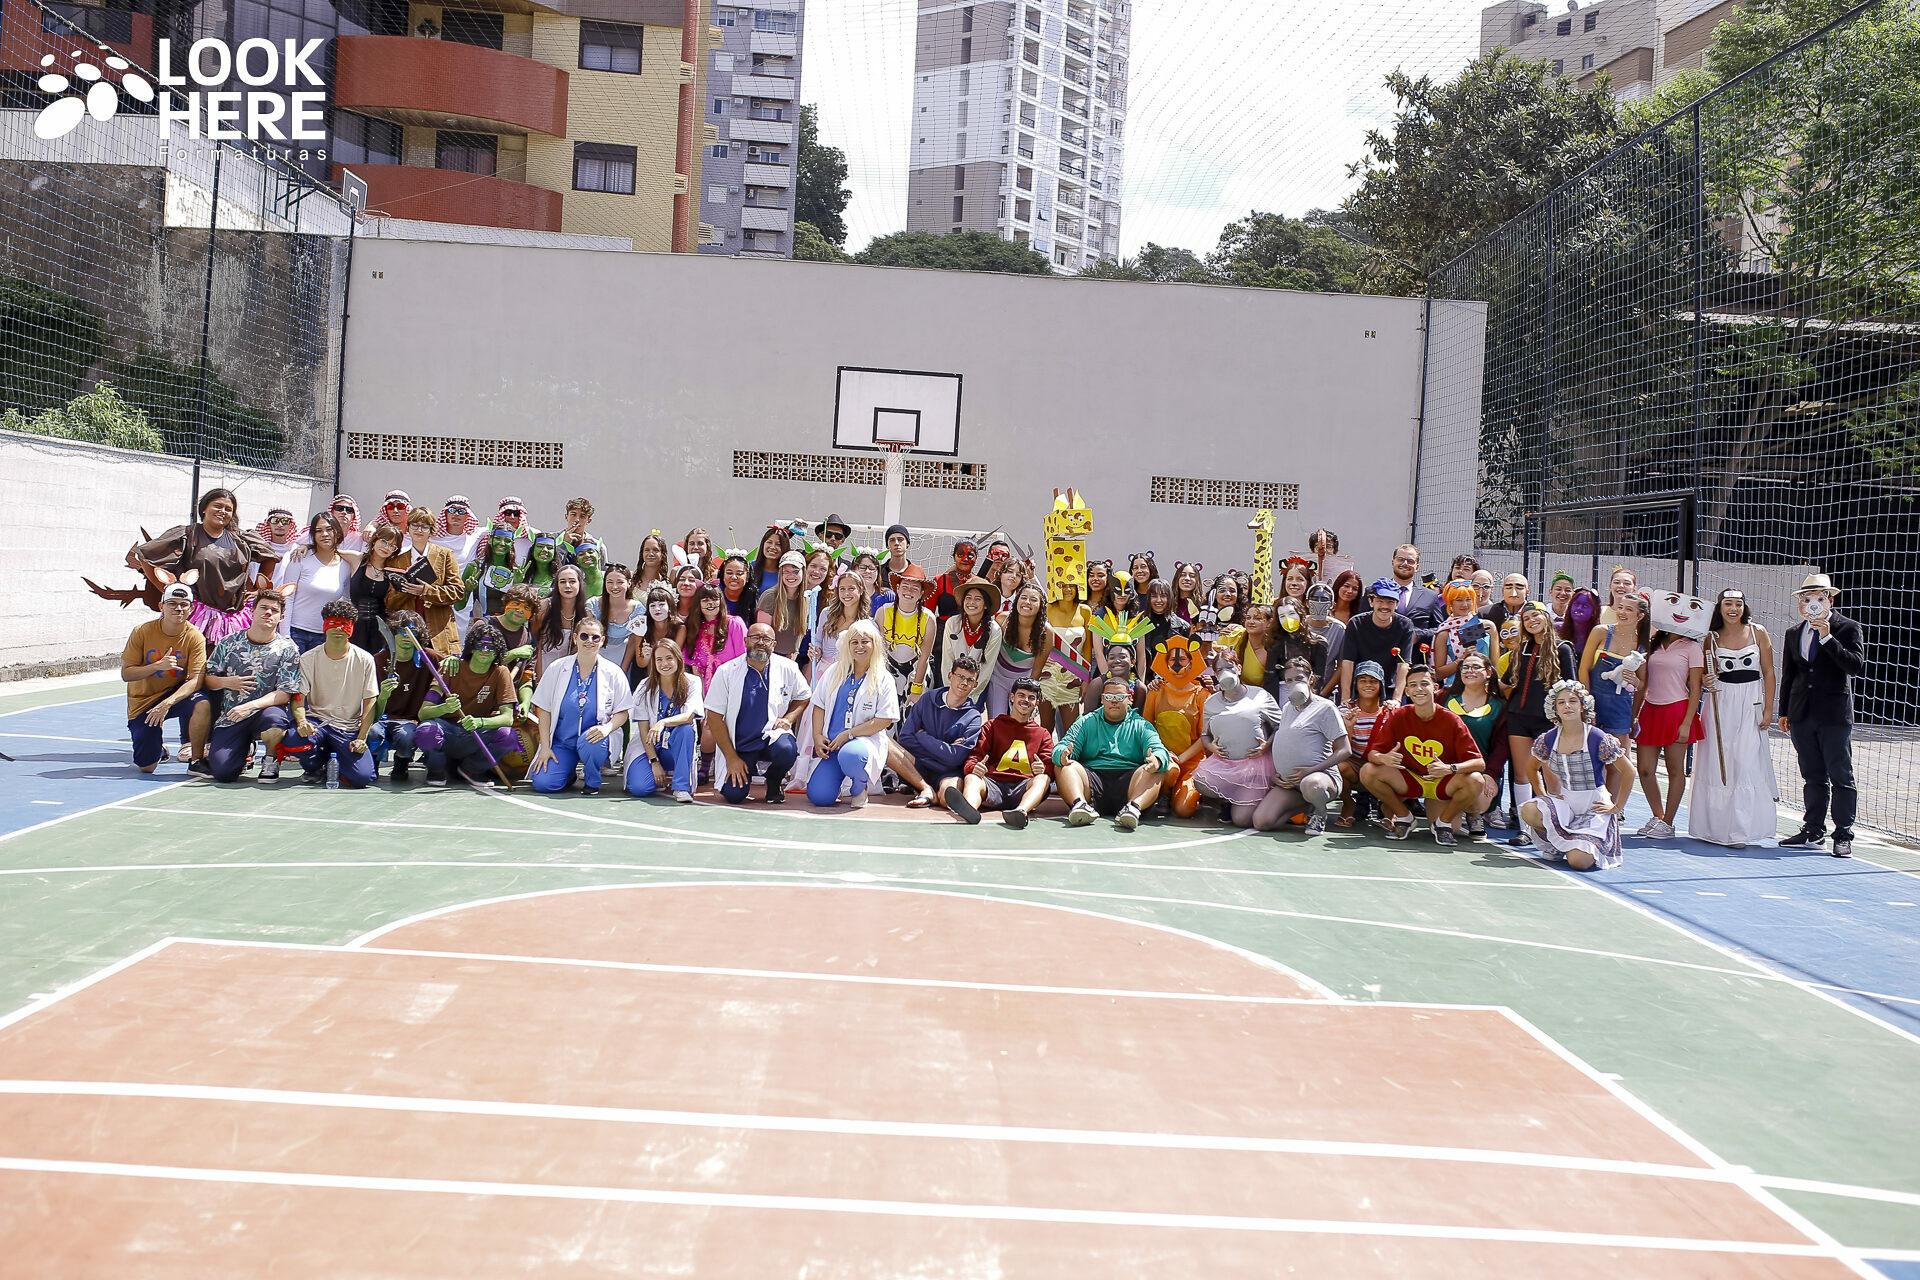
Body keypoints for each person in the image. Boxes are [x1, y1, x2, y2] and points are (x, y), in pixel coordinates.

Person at [127, 487, 283, 646]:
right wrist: (169, 591)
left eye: (228, 509)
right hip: (195, 617)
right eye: (218, 506)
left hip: (233, 620)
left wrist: (258, 589)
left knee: (228, 661)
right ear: (204, 509)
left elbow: (270, 557)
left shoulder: (241, 539)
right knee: (189, 659)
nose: (222, 511)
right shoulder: (187, 535)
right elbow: (146, 556)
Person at [1778, 573, 1864, 857]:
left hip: (1834, 714)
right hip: (1802, 713)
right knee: (1812, 775)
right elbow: (1789, 674)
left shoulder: (1848, 628)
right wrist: (1784, 711)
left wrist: (1827, 637)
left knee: (1841, 775)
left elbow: (1854, 666)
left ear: (1830, 600)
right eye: (1806, 599)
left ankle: (1843, 834)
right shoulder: (1793, 633)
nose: (1811, 603)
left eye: (1818, 597)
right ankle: (1813, 830)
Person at [1360, 664, 1494, 845]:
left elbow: (1479, 763)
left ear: (1435, 688)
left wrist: (1449, 768)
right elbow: (1372, 754)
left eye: (1424, 684)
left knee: (1476, 780)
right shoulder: (1399, 716)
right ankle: (1404, 817)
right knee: (1368, 771)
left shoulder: (1451, 720)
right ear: (1407, 691)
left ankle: (1443, 823)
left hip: (1442, 781)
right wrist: (1383, 758)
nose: (1419, 689)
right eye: (1413, 685)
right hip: (1411, 779)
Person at [1688, 589, 1779, 848]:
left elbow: (1769, 672)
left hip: (1750, 702)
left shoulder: (1758, 632)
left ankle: (1741, 830)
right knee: (1720, 763)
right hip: (1721, 702)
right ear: (1720, 607)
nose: (1734, 609)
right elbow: (1708, 674)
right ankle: (1716, 828)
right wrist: (1707, 680)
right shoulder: (1711, 638)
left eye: (1738, 604)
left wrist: (1768, 709)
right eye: (1728, 604)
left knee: (1745, 762)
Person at [1520, 680, 1634, 870]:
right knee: (1529, 810)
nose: (1567, 706)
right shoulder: (1549, 738)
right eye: (1561, 702)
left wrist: (1617, 807)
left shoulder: (1597, 737)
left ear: (1583, 706)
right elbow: (1531, 768)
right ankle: (1555, 843)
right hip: (1566, 802)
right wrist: (1543, 796)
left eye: (1573, 701)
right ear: (1555, 709)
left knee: (1579, 862)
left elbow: (1629, 771)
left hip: (1594, 807)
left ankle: (1577, 844)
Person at [707, 622, 813, 804]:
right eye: (755, 637)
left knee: (787, 750)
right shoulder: (726, 672)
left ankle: (774, 780)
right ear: (746, 641)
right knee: (734, 795)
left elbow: (804, 696)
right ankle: (745, 769)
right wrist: (731, 758)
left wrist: (789, 718)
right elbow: (714, 716)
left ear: (774, 645)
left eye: (766, 639)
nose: (760, 642)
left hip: (771, 738)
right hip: (741, 745)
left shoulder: (788, 667)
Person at [203, 588, 302, 783]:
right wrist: (227, 682)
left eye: (274, 610)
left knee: (275, 722)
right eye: (263, 608)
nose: (268, 613)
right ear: (252, 611)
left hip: (266, 712)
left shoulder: (288, 649)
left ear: (281, 618)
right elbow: (209, 679)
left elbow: (284, 693)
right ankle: (245, 748)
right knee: (223, 773)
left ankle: (271, 759)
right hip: (232, 714)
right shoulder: (228, 642)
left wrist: (249, 706)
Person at [1053, 674, 1175, 830]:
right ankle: (1079, 805)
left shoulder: (1141, 725)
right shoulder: (1086, 721)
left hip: (1130, 782)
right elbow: (1062, 746)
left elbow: (1160, 750)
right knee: (1064, 766)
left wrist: (1156, 760)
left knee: (1156, 770)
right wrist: (1062, 754)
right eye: (1109, 697)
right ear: (1102, 699)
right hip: (1092, 779)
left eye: (1120, 697)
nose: (1114, 701)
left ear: (1129, 699)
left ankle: (1133, 808)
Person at [1500, 600, 1576, 847]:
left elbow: (1571, 686)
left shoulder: (1563, 648)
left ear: (1547, 618)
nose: (1532, 620)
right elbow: (1505, 683)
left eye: (1536, 615)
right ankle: (1525, 829)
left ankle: (1556, 827)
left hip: (1548, 720)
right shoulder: (1520, 649)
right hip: (1519, 717)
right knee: (1522, 773)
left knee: (1551, 775)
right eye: (1526, 618)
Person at [526, 616, 630, 794]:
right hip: (563, 742)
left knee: (592, 741)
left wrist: (607, 728)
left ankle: (592, 780)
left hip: (594, 740)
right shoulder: (557, 668)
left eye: (595, 637)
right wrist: (545, 747)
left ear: (602, 641)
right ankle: (567, 773)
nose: (589, 641)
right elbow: (544, 709)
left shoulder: (614, 672)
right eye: (584, 636)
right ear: (575, 638)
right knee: (544, 783)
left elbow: (623, 712)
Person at [415, 618, 524, 787]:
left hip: (476, 732)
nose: (485, 650)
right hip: (447, 730)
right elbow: (423, 713)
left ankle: (472, 769)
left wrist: (480, 722)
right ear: (472, 647)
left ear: (498, 651)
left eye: (491, 647)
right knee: (426, 730)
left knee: (508, 736)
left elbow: (507, 718)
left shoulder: (501, 672)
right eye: (481, 645)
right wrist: (445, 708)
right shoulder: (451, 666)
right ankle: (436, 769)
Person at [283, 598, 379, 788]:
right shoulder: (308, 658)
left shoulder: (365, 659)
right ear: (324, 625)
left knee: (362, 778)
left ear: (352, 627)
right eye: (333, 622)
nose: (338, 628)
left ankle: (337, 761)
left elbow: (370, 702)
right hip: (317, 723)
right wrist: (301, 722)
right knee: (295, 740)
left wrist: (361, 738)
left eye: (344, 623)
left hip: (348, 727)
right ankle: (314, 766)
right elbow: (298, 699)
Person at [807, 620, 900, 808]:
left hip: (861, 745)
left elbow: (884, 720)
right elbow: (819, 705)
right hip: (833, 746)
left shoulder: (883, 678)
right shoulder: (835, 671)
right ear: (847, 645)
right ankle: (835, 783)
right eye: (854, 642)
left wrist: (849, 734)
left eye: (865, 642)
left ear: (874, 644)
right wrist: (817, 736)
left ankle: (859, 788)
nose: (860, 646)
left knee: (851, 755)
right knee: (819, 797)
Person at [1182, 646, 1279, 825]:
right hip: (1225, 766)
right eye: (1219, 669)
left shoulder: (1260, 695)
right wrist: (1211, 747)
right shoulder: (1211, 702)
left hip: (1255, 768)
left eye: (1229, 667)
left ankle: (1256, 799)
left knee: (1242, 820)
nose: (1225, 672)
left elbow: (1280, 727)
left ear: (1239, 668)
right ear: (1215, 674)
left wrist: (1267, 745)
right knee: (1201, 782)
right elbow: (1205, 736)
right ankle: (1228, 802)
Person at [120, 581, 208, 773]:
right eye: (172, 603)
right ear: (161, 606)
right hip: (144, 701)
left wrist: (167, 704)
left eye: (184, 604)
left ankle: (196, 757)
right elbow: (126, 674)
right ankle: (156, 746)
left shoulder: (195, 637)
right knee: (147, 767)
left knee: (202, 702)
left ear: (191, 609)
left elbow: (195, 680)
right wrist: (157, 666)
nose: (178, 608)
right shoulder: (142, 631)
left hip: (173, 695)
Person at [944, 675, 1054, 829]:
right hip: (993, 785)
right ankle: (969, 809)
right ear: (1012, 697)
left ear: (1037, 702)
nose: (1026, 700)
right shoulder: (992, 726)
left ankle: (1020, 812)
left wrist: (1044, 769)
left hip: (1022, 788)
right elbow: (974, 758)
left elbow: (1050, 768)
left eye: (1031, 698)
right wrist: (974, 768)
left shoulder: (1042, 734)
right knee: (972, 778)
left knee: (1043, 779)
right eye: (1021, 695)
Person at [1631, 614, 1705, 841]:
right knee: (1644, 770)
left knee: (1675, 770)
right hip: (1650, 711)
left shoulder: (1692, 647)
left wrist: (1687, 722)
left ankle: (1668, 822)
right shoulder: (1653, 642)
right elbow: (1643, 682)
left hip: (1677, 711)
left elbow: (1696, 688)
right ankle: (1659, 817)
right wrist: (1634, 715)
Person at [1257, 654, 1350, 834]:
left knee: (1312, 785)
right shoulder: (1287, 708)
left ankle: (1320, 812)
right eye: (1289, 680)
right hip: (1291, 785)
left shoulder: (1325, 707)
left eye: (1299, 678)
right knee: (1262, 822)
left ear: (1311, 679)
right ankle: (1308, 806)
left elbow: (1345, 750)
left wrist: (1312, 770)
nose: (1294, 683)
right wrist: (1279, 773)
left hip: (1320, 779)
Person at [889, 655, 986, 808]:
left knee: (949, 797)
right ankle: (925, 788)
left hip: (948, 773)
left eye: (970, 680)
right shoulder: (928, 699)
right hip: (917, 766)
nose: (964, 683)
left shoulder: (973, 717)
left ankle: (933, 795)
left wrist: (922, 736)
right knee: (885, 743)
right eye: (960, 677)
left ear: (975, 685)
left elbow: (955, 758)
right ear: (950, 676)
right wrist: (946, 749)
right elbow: (905, 739)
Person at [625, 637, 704, 801]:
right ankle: (656, 775)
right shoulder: (644, 686)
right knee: (639, 788)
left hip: (675, 746)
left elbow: (689, 716)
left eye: (669, 658)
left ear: (678, 659)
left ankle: (681, 787)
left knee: (686, 730)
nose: (664, 664)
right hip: (649, 746)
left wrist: (663, 722)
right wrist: (654, 762)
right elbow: (644, 730)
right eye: (659, 659)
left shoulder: (692, 682)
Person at [368, 609, 439, 784]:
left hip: (411, 721)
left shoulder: (429, 658)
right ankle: (372, 763)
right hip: (381, 718)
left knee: (406, 736)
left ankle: (402, 763)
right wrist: (383, 696)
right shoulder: (377, 660)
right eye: (402, 631)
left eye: (413, 631)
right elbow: (371, 708)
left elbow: (456, 663)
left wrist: (453, 660)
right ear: (393, 633)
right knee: (373, 733)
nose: (407, 636)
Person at [382, 506, 464, 653]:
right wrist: (406, 590)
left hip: (439, 632)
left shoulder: (445, 555)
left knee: (439, 667)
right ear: (408, 528)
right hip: (407, 632)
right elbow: (389, 603)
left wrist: (425, 591)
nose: (419, 530)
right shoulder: (396, 561)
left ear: (431, 531)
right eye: (415, 525)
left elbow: (458, 591)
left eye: (424, 526)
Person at [1445, 649, 1505, 838]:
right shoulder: (1444, 698)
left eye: (1476, 667)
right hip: (1446, 771)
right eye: (1465, 667)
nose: (1469, 671)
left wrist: (1491, 774)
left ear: (1488, 672)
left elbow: (1501, 747)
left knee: (1480, 786)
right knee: (1449, 828)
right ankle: (1456, 809)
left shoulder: (1499, 706)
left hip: (1479, 773)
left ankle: (1474, 814)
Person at [1580, 591, 1647, 756]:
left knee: (1617, 761)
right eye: (1620, 607)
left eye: (1629, 609)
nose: (1622, 612)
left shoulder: (1643, 645)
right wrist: (1587, 706)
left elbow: (1642, 685)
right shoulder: (1600, 631)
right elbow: (1583, 670)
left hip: (1620, 711)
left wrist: (1635, 682)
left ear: (1640, 616)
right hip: (1594, 704)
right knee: (1589, 756)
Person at [282, 511, 359, 652]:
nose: (324, 534)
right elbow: (287, 597)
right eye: (318, 531)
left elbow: (346, 600)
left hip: (326, 635)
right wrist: (285, 636)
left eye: (329, 529)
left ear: (337, 532)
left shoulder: (346, 565)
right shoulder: (300, 558)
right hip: (296, 632)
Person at [1339, 578, 1417, 705]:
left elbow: (1403, 664)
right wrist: (1346, 698)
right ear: (1371, 602)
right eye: (1380, 601)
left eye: (1390, 602)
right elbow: (1347, 662)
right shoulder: (1356, 623)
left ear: (1397, 604)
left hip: (1389, 690)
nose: (1385, 606)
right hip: (1360, 688)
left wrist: (1396, 699)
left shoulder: (1405, 625)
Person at [1336, 661, 1389, 827]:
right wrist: (1349, 727)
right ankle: (1348, 803)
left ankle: (1389, 808)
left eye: (1373, 681)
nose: (1368, 685)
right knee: (1338, 766)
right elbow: (1336, 750)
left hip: (1380, 767)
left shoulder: (1390, 713)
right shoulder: (1343, 711)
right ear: (1356, 684)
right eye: (1363, 680)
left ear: (1381, 685)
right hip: (1354, 766)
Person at [939, 578, 1004, 702]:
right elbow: (947, 660)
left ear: (986, 605)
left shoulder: (994, 631)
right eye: (968, 598)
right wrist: (951, 691)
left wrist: (969, 695)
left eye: (978, 599)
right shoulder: (952, 623)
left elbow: (986, 669)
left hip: (976, 690)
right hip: (951, 687)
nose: (971, 602)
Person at [347, 522, 402, 656]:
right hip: (354, 625)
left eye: (392, 546)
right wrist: (306, 546)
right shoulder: (357, 558)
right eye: (384, 541)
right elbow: (328, 551)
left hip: (380, 630)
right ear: (375, 540)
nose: (386, 547)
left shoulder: (393, 571)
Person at [811, 567, 871, 672]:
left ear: (861, 590)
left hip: (850, 673)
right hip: (824, 672)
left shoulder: (868, 623)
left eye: (851, 588)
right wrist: (816, 649)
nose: (846, 593)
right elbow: (817, 640)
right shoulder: (827, 614)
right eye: (842, 589)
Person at [533, 564, 587, 677]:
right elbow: (535, 643)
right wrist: (538, 678)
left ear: (580, 584)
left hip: (568, 671)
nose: (567, 586)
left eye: (572, 581)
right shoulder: (544, 607)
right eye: (562, 581)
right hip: (542, 667)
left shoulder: (586, 614)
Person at [756, 549, 811, 659]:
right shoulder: (770, 596)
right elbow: (762, 633)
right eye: (786, 571)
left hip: (792, 657)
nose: (791, 575)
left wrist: (794, 654)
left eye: (796, 571)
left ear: (803, 572)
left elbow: (800, 633)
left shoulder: (806, 598)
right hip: (771, 656)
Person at [1387, 544, 1442, 628]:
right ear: (1392, 563)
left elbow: (1439, 629)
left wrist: (1418, 634)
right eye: (1400, 559)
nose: (1405, 563)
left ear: (1417, 567)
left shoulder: (1430, 597)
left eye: (1410, 561)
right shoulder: (1376, 592)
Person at [747, 525, 791, 596]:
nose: (773, 547)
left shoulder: (788, 573)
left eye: (778, 544)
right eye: (769, 542)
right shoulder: (749, 568)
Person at [556, 497, 596, 566]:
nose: (577, 520)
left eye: (582, 516)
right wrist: (564, 544)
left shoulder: (595, 545)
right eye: (573, 515)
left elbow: (602, 570)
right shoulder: (553, 539)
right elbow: (552, 567)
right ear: (566, 517)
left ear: (588, 521)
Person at [632, 530, 672, 597]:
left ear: (662, 554)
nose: (650, 554)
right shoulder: (630, 580)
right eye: (647, 550)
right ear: (642, 554)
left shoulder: (666, 585)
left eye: (655, 550)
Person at [719, 554, 756, 623]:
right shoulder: (714, 594)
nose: (734, 577)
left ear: (747, 576)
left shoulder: (753, 597)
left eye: (739, 574)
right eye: (729, 573)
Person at [880, 523, 912, 592]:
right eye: (892, 540)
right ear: (887, 545)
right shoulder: (879, 572)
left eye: (900, 539)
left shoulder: (916, 572)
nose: (896, 543)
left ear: (908, 543)